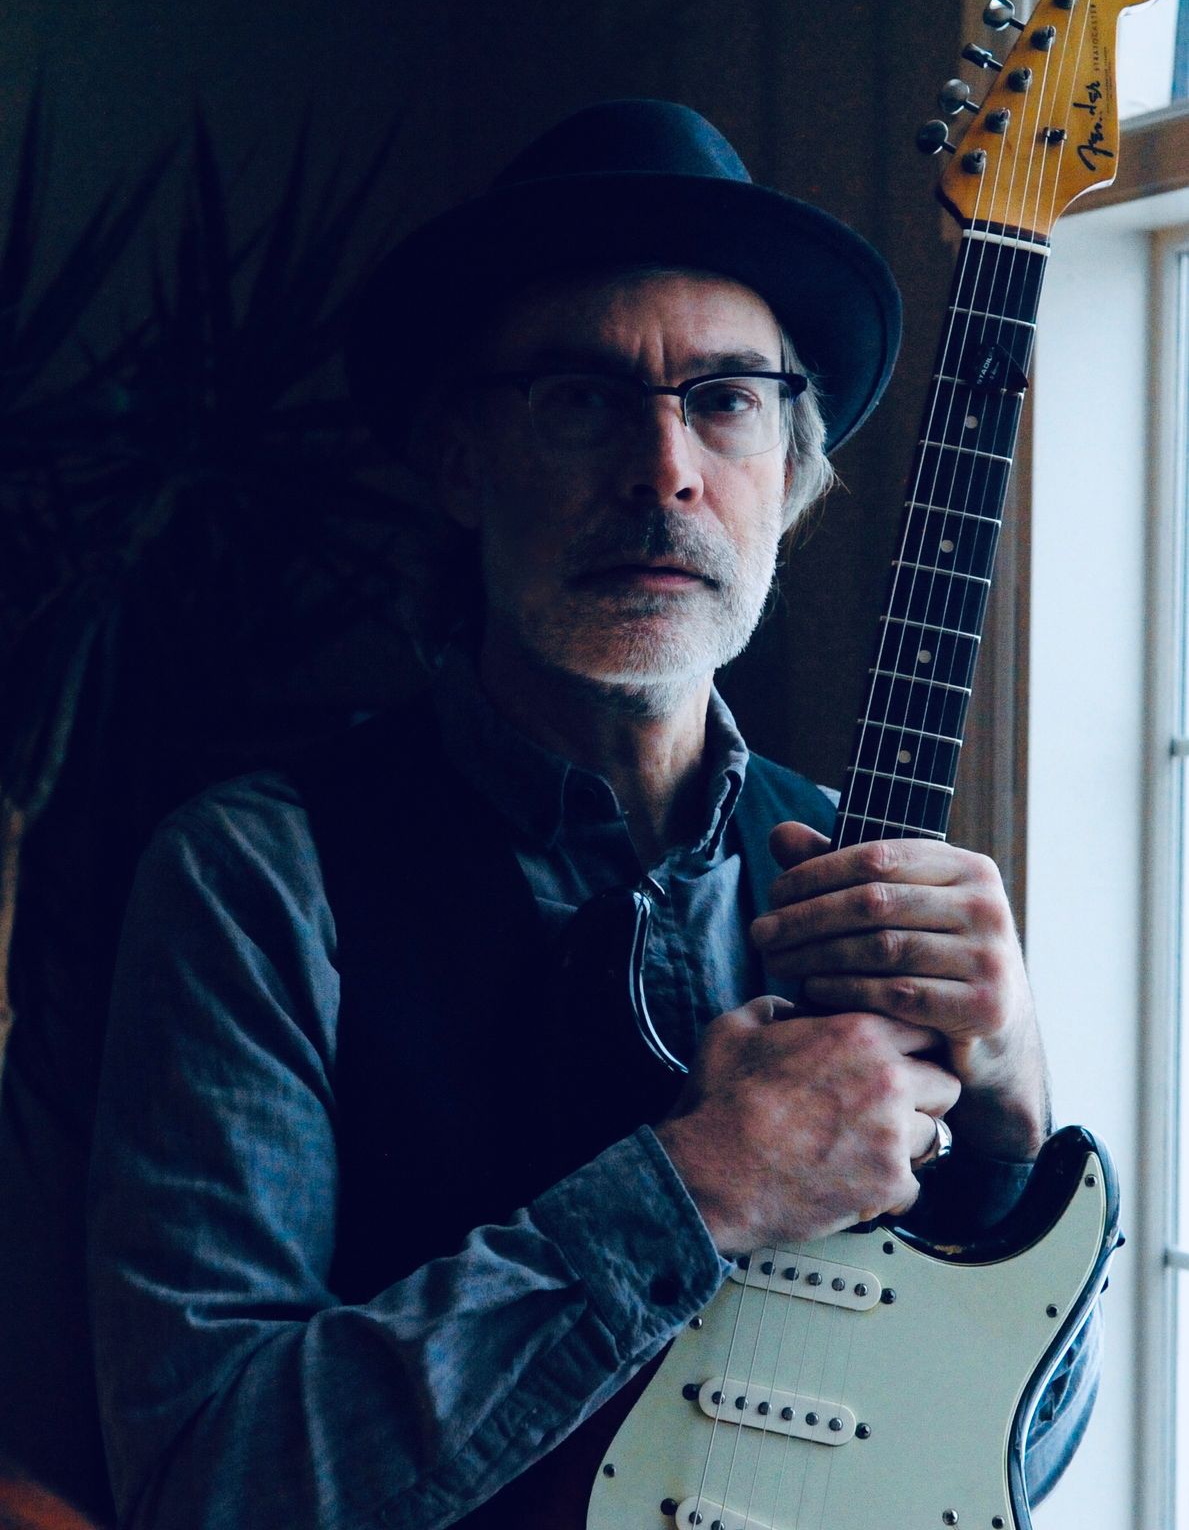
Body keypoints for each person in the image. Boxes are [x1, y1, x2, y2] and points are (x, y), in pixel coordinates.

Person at [85, 100, 1099, 1530]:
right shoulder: (256, 878)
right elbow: (209, 1482)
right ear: (459, 460)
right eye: (579, 397)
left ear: (791, 475)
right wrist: (700, 1185)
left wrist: (1008, 1123)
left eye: (726, 399)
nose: (662, 466)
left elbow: (997, 1465)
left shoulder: (863, 869)